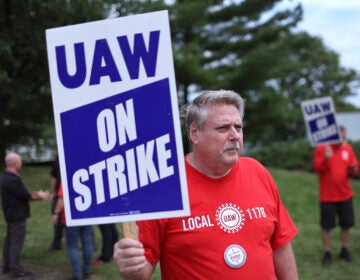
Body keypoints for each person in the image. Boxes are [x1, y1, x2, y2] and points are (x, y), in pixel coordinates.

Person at [113, 90, 299, 279]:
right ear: (195, 133)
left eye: (238, 127)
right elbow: (144, 269)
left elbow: (280, 244)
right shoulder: (164, 188)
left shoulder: (257, 171)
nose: (235, 135)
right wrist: (132, 265)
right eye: (223, 128)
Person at [313, 125, 359, 266]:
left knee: (346, 224)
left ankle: (344, 249)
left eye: (344, 137)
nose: (343, 140)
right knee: (326, 226)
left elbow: (355, 170)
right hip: (327, 197)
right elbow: (317, 168)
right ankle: (327, 252)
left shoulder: (348, 149)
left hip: (345, 195)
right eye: (340, 137)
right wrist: (326, 159)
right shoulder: (322, 148)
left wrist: (353, 169)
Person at [0, 152, 49, 278]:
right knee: (16, 242)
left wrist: (36, 193)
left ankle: (6, 266)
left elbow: (21, 192)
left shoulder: (8, 177)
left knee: (9, 241)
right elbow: (25, 195)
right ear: (15, 163)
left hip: (11, 214)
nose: (21, 163)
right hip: (17, 215)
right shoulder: (11, 179)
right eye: (20, 161)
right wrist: (41, 196)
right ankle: (15, 269)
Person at [53, 182, 94, 280]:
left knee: (72, 246)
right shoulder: (89, 175)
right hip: (87, 215)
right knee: (88, 243)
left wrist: (56, 213)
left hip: (72, 217)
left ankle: (77, 274)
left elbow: (62, 199)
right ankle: (86, 271)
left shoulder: (67, 176)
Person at [48, 154, 65, 251]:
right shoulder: (59, 156)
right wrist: (53, 192)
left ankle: (90, 242)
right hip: (59, 192)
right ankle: (56, 243)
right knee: (57, 218)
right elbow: (54, 175)